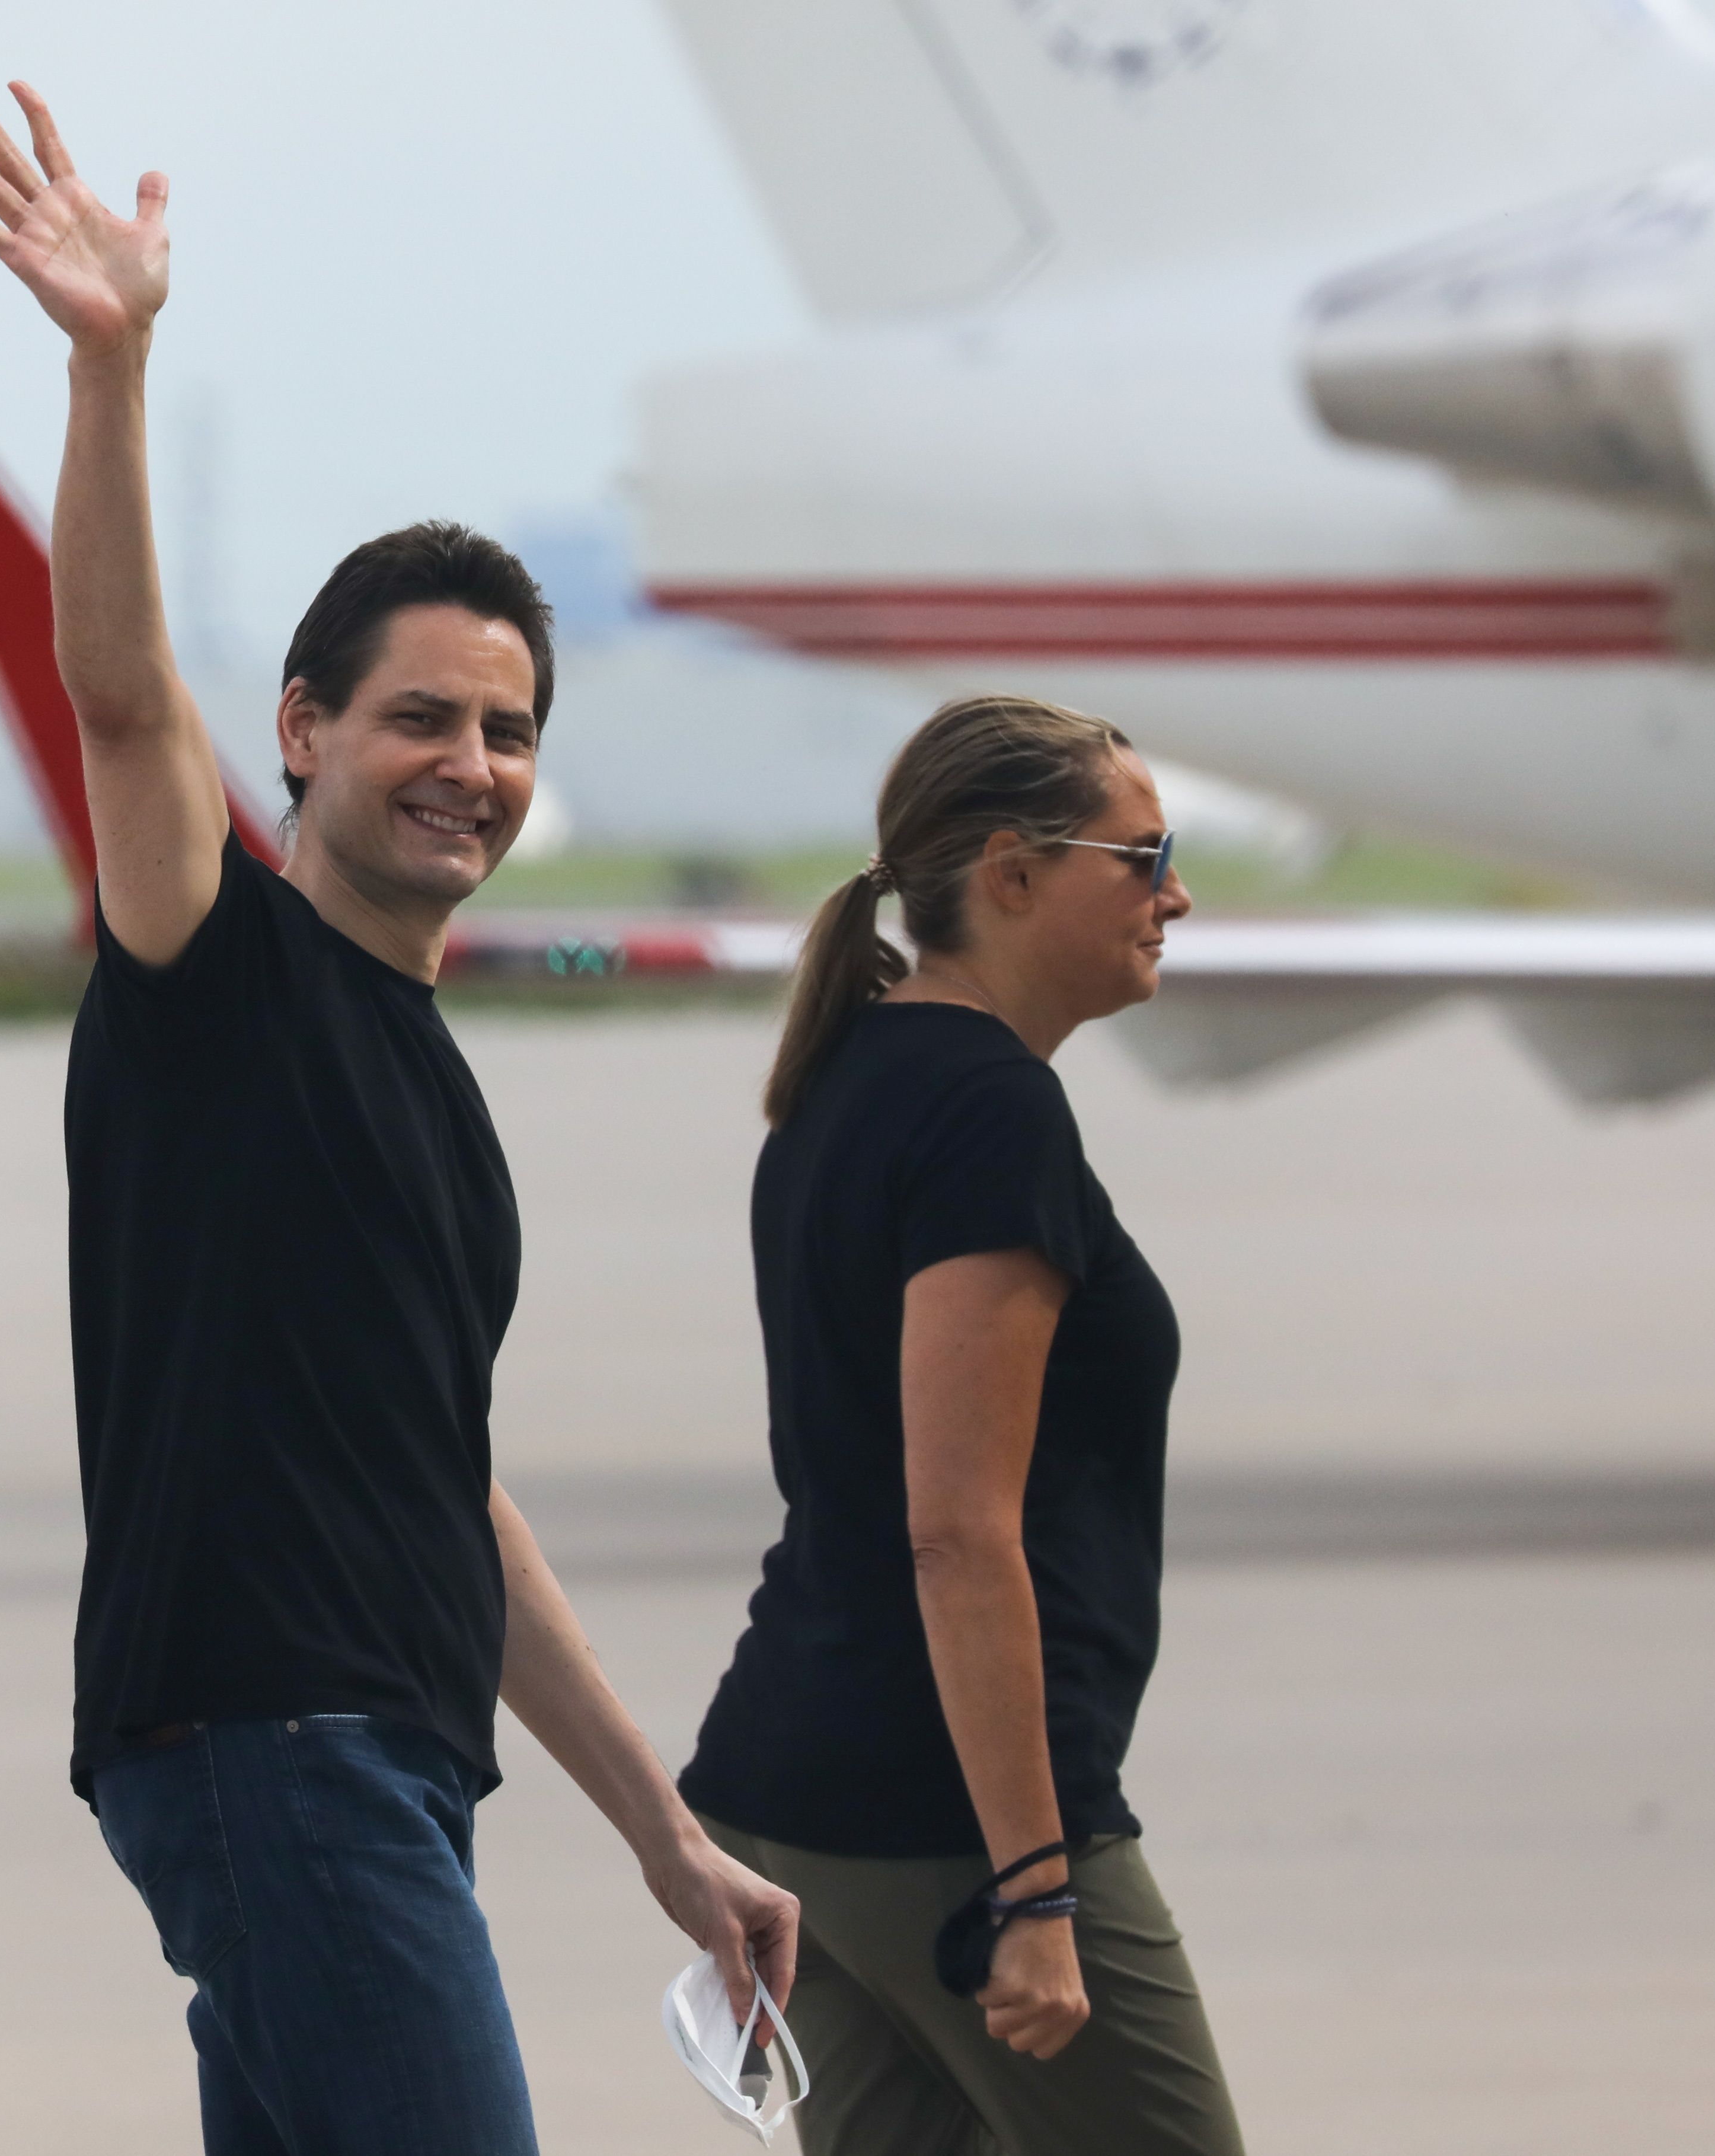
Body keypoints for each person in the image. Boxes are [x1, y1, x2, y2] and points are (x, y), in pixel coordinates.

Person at [0, 81, 798, 2155]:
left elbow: (451, 1503)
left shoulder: (433, 1081)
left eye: (508, 729)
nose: (471, 762)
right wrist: (112, 361)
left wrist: (668, 1835)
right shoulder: (215, 968)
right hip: (273, 1735)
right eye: (421, 715)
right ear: (306, 731)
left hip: (382, 1755)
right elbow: (127, 701)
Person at [676, 695, 1244, 2154]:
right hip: (940, 1814)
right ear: (1009, 871)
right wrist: (1037, 1885)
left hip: (793, 1784)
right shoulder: (987, 1112)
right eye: (1141, 856)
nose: (1172, 893)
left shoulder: (845, 1081)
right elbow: (953, 1528)